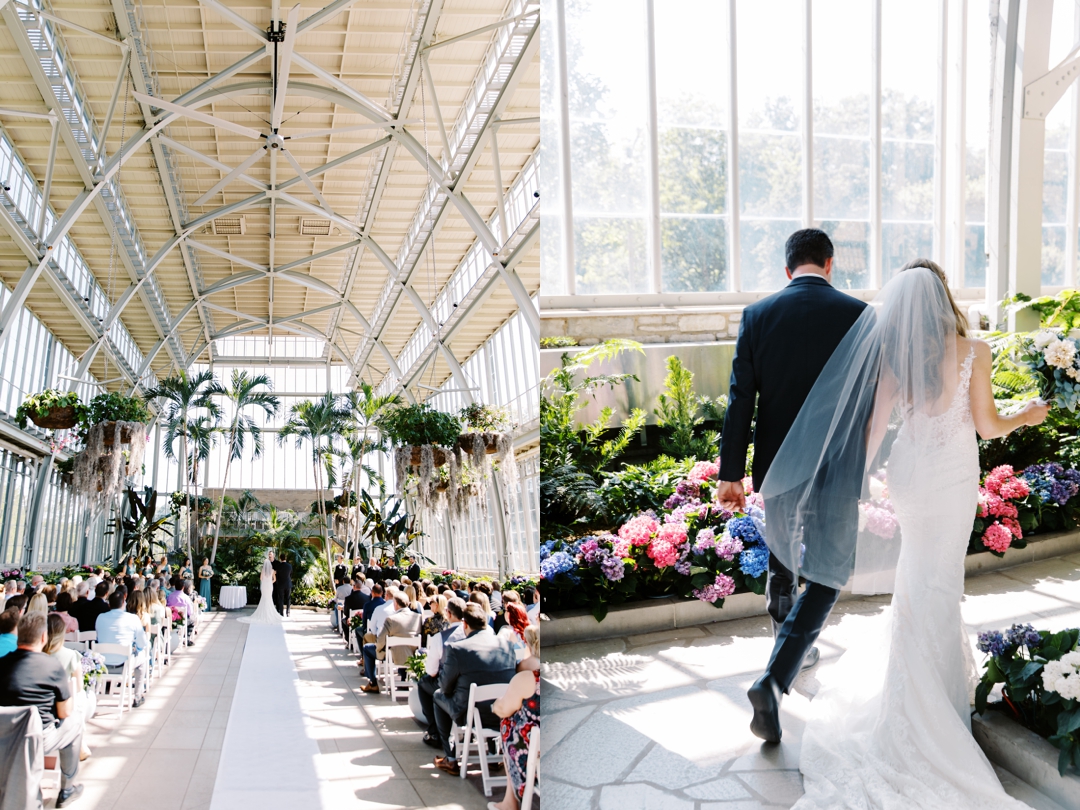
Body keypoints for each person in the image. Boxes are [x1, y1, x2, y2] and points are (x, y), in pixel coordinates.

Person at [758, 261, 1050, 809]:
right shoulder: (974, 351)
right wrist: (1028, 415)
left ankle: (914, 695)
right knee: (939, 580)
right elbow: (988, 426)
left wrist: (856, 486)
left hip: (911, 474)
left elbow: (873, 431)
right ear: (943, 298)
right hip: (951, 477)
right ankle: (933, 706)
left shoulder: (897, 358)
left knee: (917, 576)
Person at [716, 228, 868, 738]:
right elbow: (869, 398)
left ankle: (784, 644)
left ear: (787, 269)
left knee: (782, 561)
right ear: (830, 263)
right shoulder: (858, 314)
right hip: (838, 465)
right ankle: (789, 658)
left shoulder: (758, 315)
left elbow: (740, 400)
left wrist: (731, 473)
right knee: (828, 568)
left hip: (778, 467)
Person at [0, 612, 85, 806]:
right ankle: (67, 788)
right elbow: (64, 712)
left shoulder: (2, 663)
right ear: (44, 637)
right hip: (38, 737)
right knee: (75, 721)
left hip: (3, 734)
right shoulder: (52, 666)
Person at [431, 603, 517, 776]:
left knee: (438, 695)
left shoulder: (457, 648)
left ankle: (451, 758)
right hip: (505, 711)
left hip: (471, 713)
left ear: (465, 624)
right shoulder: (507, 645)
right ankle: (493, 754)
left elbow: (445, 686)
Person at [489, 625, 540, 810]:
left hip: (535, 755)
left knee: (508, 725)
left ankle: (510, 802)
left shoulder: (529, 678)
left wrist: (495, 705)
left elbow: (503, 709)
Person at [418, 597, 466, 749]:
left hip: (449, 685)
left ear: (449, 614)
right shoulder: (472, 634)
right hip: (470, 684)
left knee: (423, 683)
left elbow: (431, 671)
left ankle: (435, 731)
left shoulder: (441, 637)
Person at [95, 587, 148, 708]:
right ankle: (137, 695)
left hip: (103, 664)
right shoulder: (133, 618)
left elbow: (98, 638)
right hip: (124, 665)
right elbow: (142, 643)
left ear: (109, 604)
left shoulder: (100, 618)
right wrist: (136, 648)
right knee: (142, 657)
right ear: (124, 603)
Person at [369, 591, 422, 694]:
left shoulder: (391, 619)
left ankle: (373, 683)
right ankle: (404, 679)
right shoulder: (418, 617)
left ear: (396, 603)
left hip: (394, 656)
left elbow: (381, 640)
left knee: (367, 649)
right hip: (413, 655)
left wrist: (378, 649)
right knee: (403, 648)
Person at [361, 589, 401, 692]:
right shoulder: (410, 615)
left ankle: (372, 681)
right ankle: (403, 680)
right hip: (405, 651)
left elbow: (373, 629)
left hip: (387, 649)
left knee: (367, 647)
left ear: (386, 595)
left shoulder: (380, 609)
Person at [239, 552, 282, 625]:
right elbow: (274, 580)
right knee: (269, 598)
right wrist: (270, 582)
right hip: (270, 586)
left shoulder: (263, 571)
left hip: (264, 586)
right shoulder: (272, 571)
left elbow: (261, 578)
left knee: (264, 598)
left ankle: (263, 612)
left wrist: (265, 582)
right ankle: (269, 613)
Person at [342, 576, 369, 649]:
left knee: (343, 621)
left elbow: (345, 612)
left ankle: (349, 641)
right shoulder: (367, 597)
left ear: (354, 586)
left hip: (351, 620)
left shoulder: (348, 598)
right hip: (363, 620)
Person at [273, 552, 292, 617]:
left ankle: (281, 613)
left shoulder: (278, 566)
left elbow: (277, 576)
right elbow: (290, 575)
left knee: (281, 599)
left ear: (280, 558)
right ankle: (288, 612)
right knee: (288, 598)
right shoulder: (289, 566)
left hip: (280, 585)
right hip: (288, 584)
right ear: (285, 558)